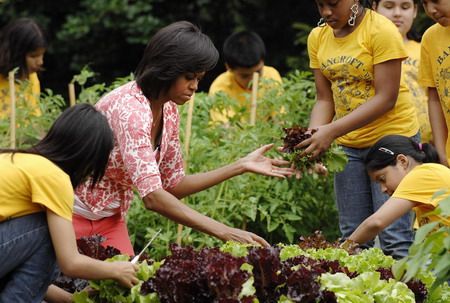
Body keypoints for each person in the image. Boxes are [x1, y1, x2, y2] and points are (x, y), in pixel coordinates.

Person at [72, 21, 293, 257]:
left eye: (199, 78)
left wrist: (240, 166)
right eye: (189, 77)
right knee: (61, 290)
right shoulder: (131, 111)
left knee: (120, 289)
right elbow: (153, 198)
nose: (195, 86)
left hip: (111, 217)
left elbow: (172, 186)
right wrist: (225, 231)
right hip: (69, 211)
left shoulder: (168, 110)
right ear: (165, 69)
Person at [297, 0, 420, 259]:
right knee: (352, 238)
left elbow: (386, 98)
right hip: (348, 145)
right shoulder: (318, 36)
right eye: (320, 5)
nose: (326, 12)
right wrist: (314, 139)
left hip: (392, 142)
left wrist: (330, 132)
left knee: (393, 237)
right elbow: (324, 99)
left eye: (333, 4)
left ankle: (403, 299)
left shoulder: (381, 31)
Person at [0, 104, 139, 302]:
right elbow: (70, 262)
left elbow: (23, 269)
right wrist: (116, 269)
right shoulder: (53, 177)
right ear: (87, 156)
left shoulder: (21, 160)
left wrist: (71, 300)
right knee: (51, 232)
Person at [347, 135, 450, 246]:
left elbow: (375, 223)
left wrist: (341, 250)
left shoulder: (422, 174)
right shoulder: (423, 197)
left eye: (382, 179)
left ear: (402, 161)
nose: (383, 190)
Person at [374, 0, 433, 144]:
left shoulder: (425, 49)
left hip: (427, 146)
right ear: (374, 8)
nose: (397, 13)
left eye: (405, 7)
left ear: (414, 11)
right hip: (379, 144)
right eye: (389, 7)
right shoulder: (367, 50)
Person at [209, 31, 283, 123]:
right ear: (229, 68)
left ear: (263, 61)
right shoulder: (220, 88)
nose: (253, 80)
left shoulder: (271, 75)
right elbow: (226, 130)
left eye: (258, 72)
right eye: (245, 76)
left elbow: (280, 120)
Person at [418, 0, 450, 166]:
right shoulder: (430, 38)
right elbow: (435, 98)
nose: (431, 10)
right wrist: (441, 152)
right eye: (424, 3)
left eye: (436, 1)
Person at [0, 18, 47, 119]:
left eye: (42, 55)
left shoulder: (32, 78)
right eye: (33, 56)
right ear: (16, 54)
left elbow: (34, 120)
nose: (40, 62)